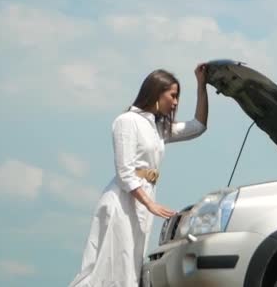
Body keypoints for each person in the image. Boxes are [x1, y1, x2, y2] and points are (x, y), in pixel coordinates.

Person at [69, 63, 209, 287]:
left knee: (130, 265)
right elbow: (125, 172)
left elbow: (198, 126)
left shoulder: (157, 127)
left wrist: (201, 85)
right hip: (124, 202)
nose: (175, 102)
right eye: (172, 96)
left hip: (142, 202)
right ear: (156, 92)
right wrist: (150, 204)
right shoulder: (127, 121)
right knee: (113, 264)